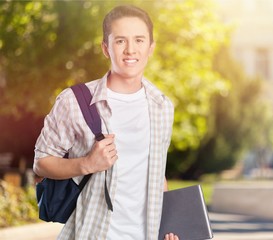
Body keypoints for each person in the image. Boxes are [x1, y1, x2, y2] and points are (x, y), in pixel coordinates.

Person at [33, 5, 179, 240]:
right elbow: (41, 163)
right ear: (105, 48)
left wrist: (169, 228)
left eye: (139, 40)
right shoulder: (74, 101)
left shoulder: (162, 106)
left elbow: (156, 173)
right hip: (92, 233)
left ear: (151, 47)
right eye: (120, 41)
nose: (130, 50)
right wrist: (87, 164)